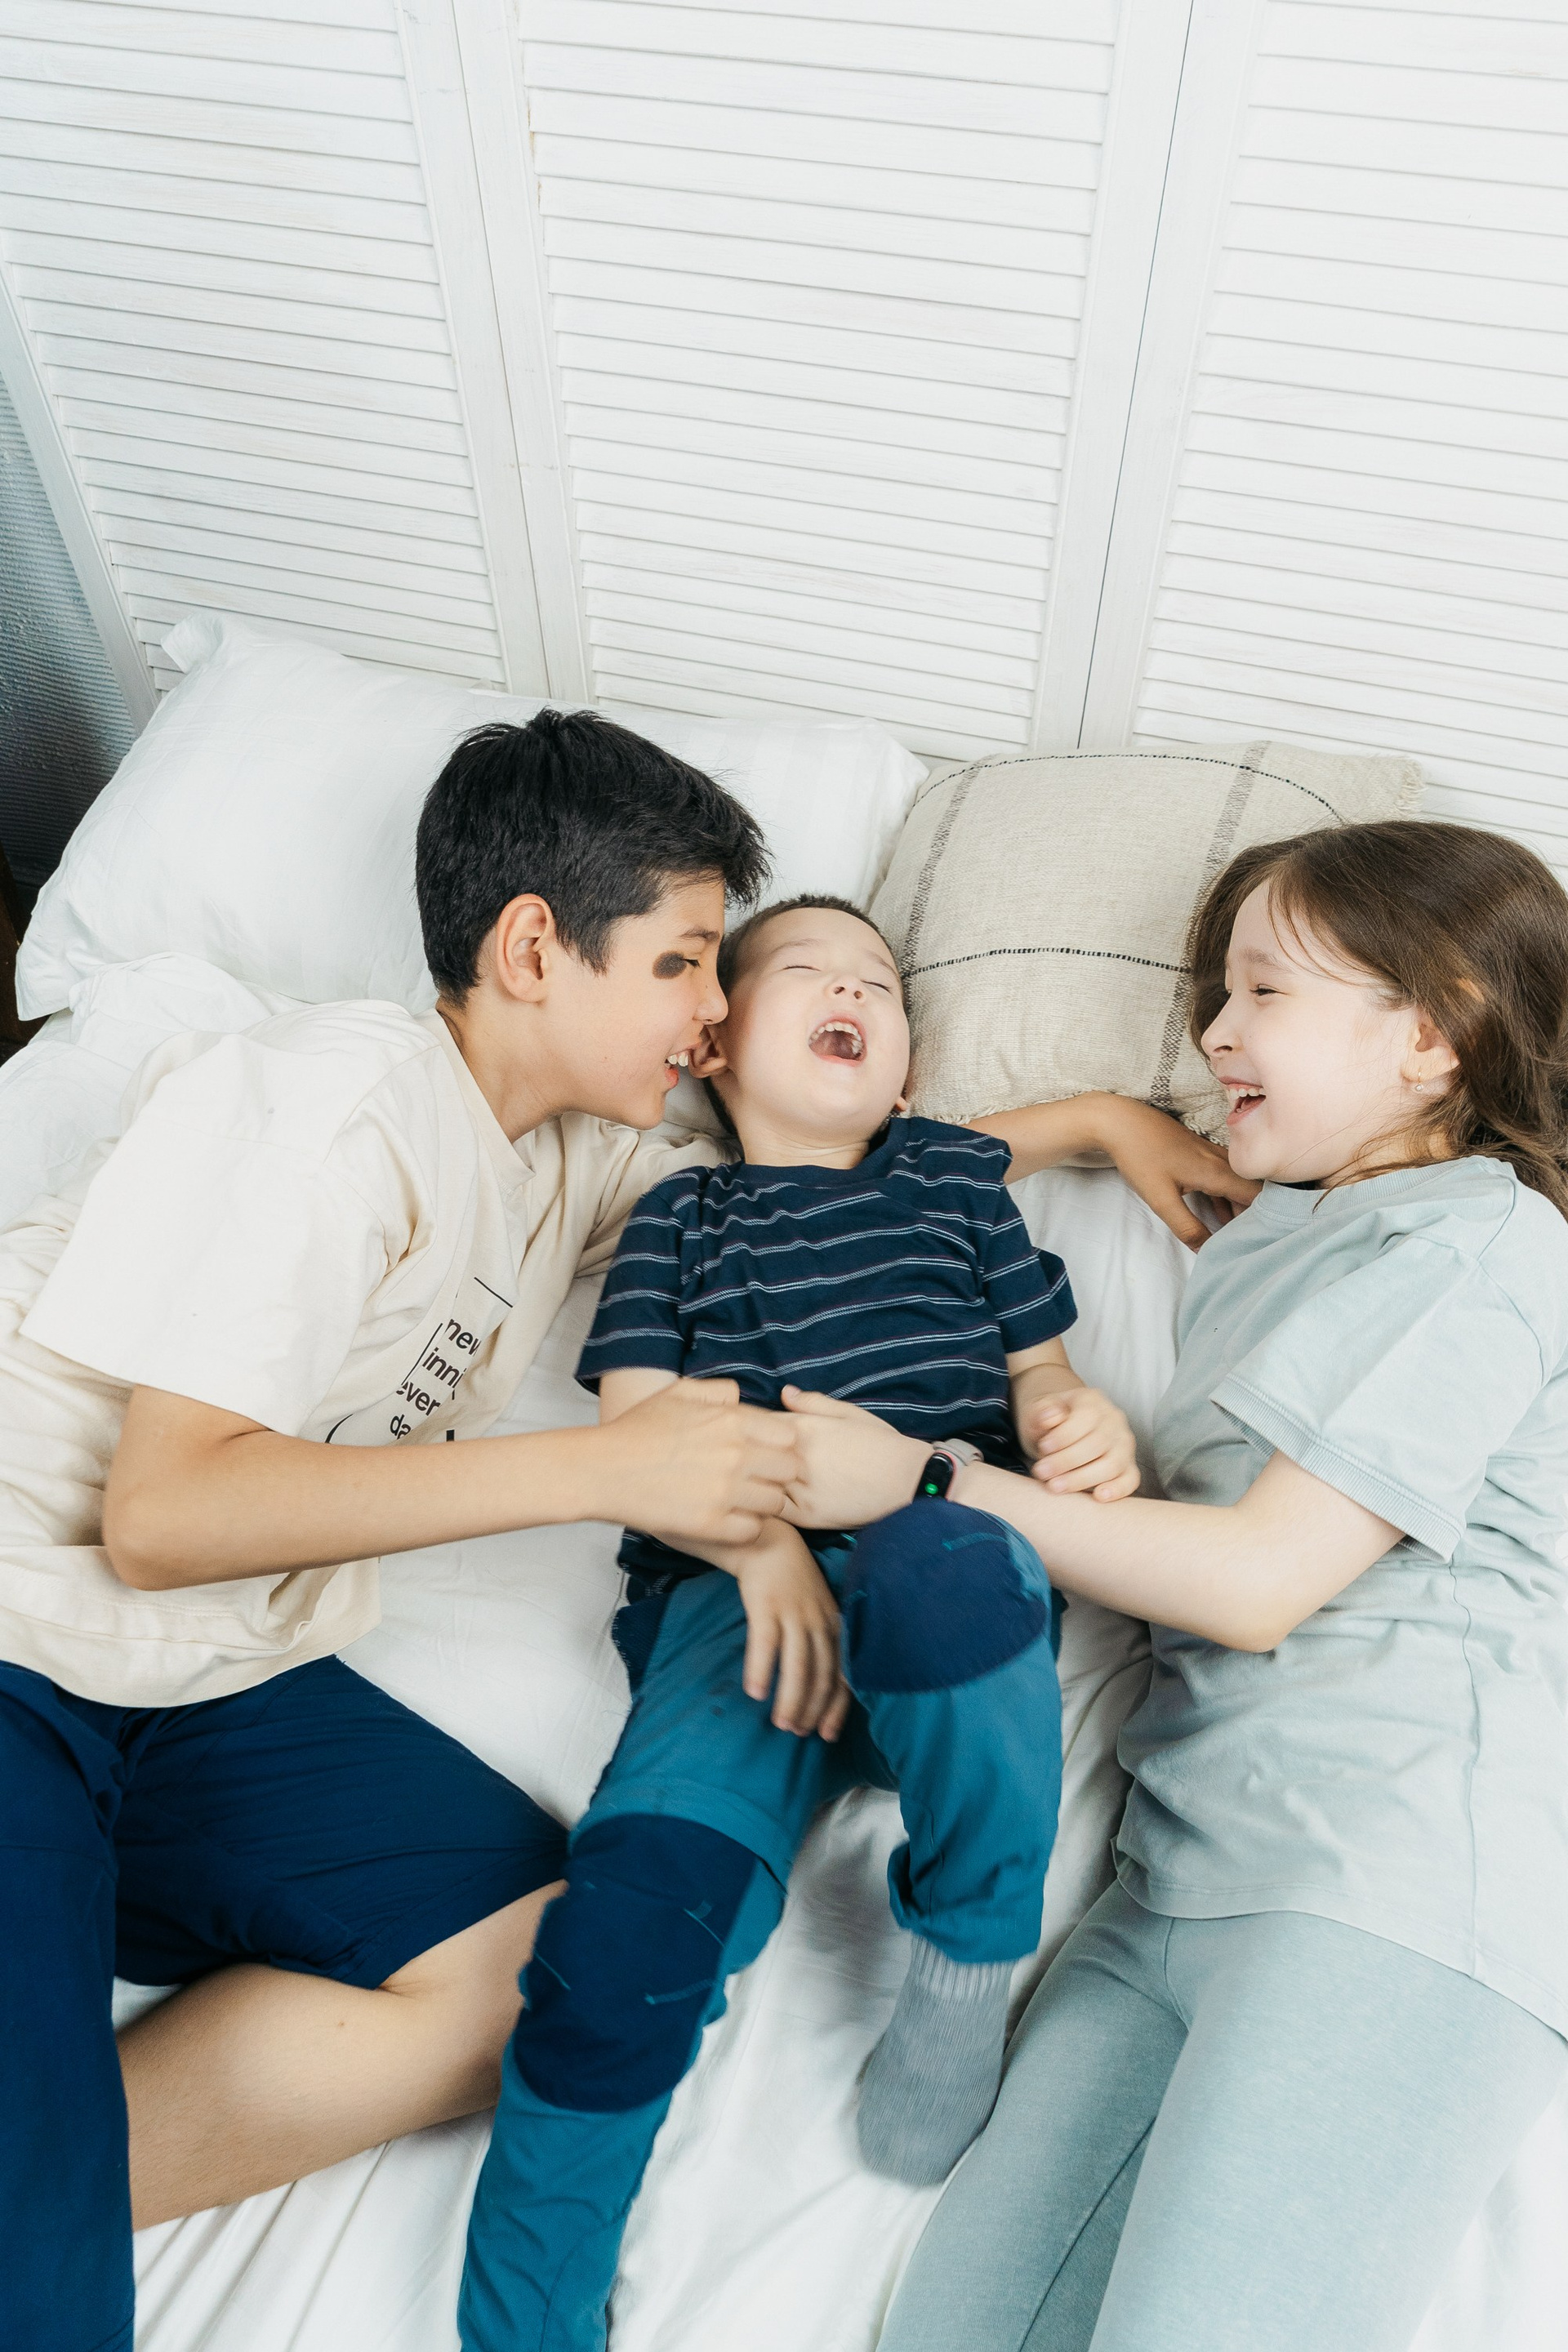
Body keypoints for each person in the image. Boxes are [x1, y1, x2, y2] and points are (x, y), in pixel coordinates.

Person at [0, 710, 808, 2352]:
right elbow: (164, 1513)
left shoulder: (561, 1155)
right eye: (682, 963)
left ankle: (44, 2182)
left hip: (193, 1682)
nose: (714, 1014)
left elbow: (787, 1181)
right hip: (26, 1630)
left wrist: (1086, 1125)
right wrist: (604, 1470)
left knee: (549, 1966)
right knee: (51, 2293)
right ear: (533, 948)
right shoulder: (332, 1101)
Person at [781, 822, 1568, 2352]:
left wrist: (929, 1483)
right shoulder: (1268, 1232)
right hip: (1169, 1887)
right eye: (1218, 993)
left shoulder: (1486, 1244)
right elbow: (852, 1178)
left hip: (1386, 1889)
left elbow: (1265, 1579)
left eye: (1265, 990)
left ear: (1434, 1034)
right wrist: (1095, 1120)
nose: (1213, 1030)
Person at [457, 893, 1254, 2352]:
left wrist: (1074, 1420)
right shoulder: (682, 1215)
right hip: (730, 1603)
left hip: (942, 1572)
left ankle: (965, 1956)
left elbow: (1041, 1372)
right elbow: (639, 1424)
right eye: (808, 973)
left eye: (881, 984)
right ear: (713, 1047)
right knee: (620, 1943)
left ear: (906, 1069)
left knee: (949, 1562)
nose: (854, 990)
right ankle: (529, 2326)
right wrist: (761, 1552)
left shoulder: (948, 1182)